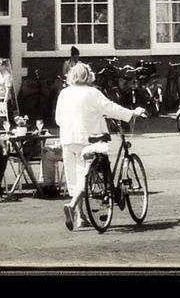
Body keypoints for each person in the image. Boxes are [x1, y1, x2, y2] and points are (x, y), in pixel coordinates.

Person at [54, 62, 145, 231]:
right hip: (88, 139)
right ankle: (72, 205)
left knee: (73, 177)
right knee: (85, 174)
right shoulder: (92, 93)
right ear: (88, 76)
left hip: (67, 139)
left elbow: (58, 119)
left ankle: (81, 217)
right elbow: (110, 108)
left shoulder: (64, 93)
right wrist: (132, 113)